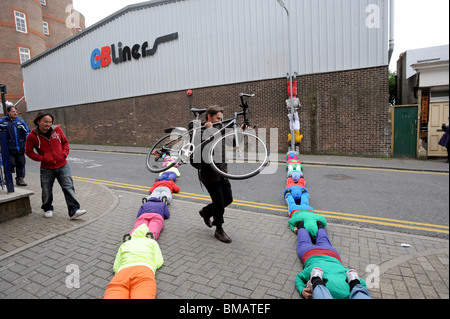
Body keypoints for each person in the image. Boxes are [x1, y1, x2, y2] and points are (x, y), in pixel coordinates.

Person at [25, 111, 86, 219]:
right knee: (46, 190)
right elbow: (29, 151)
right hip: (46, 168)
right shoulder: (32, 136)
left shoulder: (57, 130)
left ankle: (74, 210)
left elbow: (65, 142)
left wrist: (64, 154)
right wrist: (42, 158)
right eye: (45, 121)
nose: (48, 124)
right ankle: (47, 208)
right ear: (38, 121)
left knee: (68, 187)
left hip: (62, 165)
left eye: (50, 122)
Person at [295, 220, 370, 299]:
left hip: (331, 255)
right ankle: (302, 226)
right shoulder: (313, 269)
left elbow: (362, 283)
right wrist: (302, 289)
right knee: (304, 241)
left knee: (323, 240)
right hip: (310, 254)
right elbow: (299, 277)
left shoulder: (344, 271)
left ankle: (320, 226)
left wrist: (301, 289)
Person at [197, 105, 234, 243]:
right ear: (209, 117)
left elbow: (232, 142)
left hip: (222, 172)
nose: (220, 121)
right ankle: (219, 229)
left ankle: (206, 211)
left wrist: (241, 132)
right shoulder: (200, 131)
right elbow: (201, 151)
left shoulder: (220, 128)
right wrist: (208, 131)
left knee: (228, 199)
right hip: (210, 174)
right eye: (218, 118)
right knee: (219, 202)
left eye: (221, 119)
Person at [104, 223, 164, 299]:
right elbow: (159, 261)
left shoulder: (125, 244)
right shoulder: (152, 242)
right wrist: (152, 266)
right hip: (144, 271)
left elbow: (116, 265)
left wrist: (120, 270)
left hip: (123, 272)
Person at [0, 105, 30, 186]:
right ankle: (7, 179)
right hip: (8, 148)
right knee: (10, 163)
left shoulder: (21, 122)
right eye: (13, 112)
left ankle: (20, 179)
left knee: (21, 163)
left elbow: (27, 132)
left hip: (20, 147)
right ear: (8, 112)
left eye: (16, 112)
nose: (15, 113)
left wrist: (27, 142)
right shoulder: (2, 121)